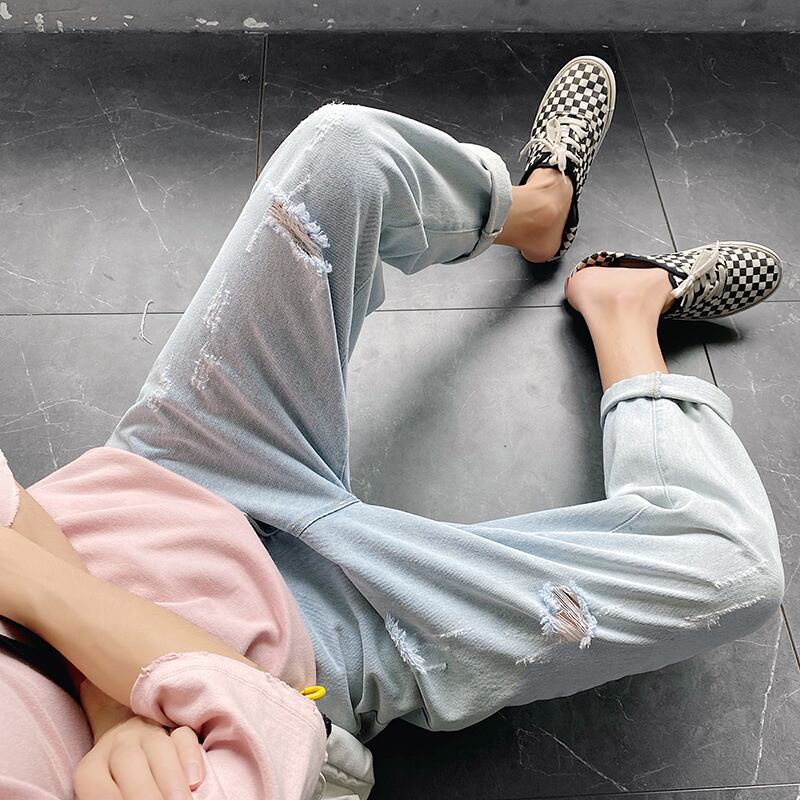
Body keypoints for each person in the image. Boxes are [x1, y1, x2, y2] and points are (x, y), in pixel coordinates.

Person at [0, 55, 784, 800]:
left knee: (344, 149)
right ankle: (624, 312)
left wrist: (114, 701)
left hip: (155, 486)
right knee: (732, 565)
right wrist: (77, 638)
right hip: (310, 642)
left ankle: (539, 211)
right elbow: (269, 734)